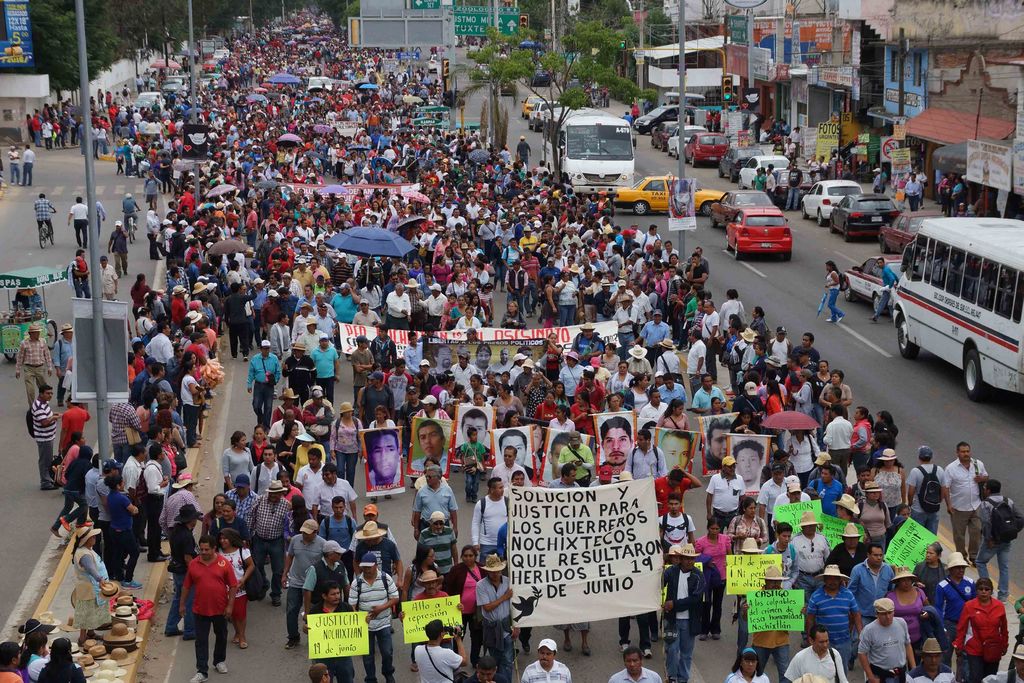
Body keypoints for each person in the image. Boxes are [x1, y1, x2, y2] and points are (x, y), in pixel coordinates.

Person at [182, 535, 237, 683]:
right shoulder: (193, 564)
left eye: (207, 549)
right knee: (201, 641)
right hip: (200, 610)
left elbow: (233, 585)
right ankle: (202, 671)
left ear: (214, 549)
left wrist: (230, 605)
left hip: (220, 609)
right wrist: (181, 605)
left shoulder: (224, 563)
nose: (204, 552)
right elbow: (186, 586)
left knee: (221, 636)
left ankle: (219, 661)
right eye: (201, 549)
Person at [349, 552, 400, 683]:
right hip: (366, 627)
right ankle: (371, 678)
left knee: (387, 652)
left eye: (368, 567)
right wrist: (360, 618)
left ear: (375, 566)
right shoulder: (357, 583)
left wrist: (381, 608)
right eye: (363, 567)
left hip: (384, 623)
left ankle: (388, 672)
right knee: (367, 656)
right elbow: (352, 605)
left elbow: (395, 598)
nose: (366, 570)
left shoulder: (385, 578)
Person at [807, 564, 862, 671]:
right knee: (823, 671)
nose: (832, 581)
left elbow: (856, 614)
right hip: (822, 642)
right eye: (829, 578)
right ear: (824, 579)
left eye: (835, 578)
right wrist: (810, 637)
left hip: (844, 641)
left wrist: (861, 633)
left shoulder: (848, 594)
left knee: (842, 671)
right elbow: (810, 618)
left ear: (840, 579)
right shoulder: (816, 596)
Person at [663, 543, 705, 683]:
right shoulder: (671, 572)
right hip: (672, 620)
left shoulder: (698, 576)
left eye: (692, 558)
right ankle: (672, 676)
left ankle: (683, 678)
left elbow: (695, 599)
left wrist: (674, 604)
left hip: (689, 621)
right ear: (680, 558)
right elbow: (660, 583)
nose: (690, 561)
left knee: (686, 653)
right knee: (672, 650)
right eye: (687, 558)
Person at [954, 577, 1007, 683]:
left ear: (991, 591)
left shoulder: (999, 606)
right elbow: (961, 628)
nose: (984, 592)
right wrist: (958, 645)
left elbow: (1004, 629)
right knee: (976, 678)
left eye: (987, 589)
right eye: (980, 589)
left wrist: (1004, 645)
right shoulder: (969, 606)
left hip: (993, 648)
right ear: (976, 590)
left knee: (991, 679)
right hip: (975, 649)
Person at [976, 479, 1020, 602]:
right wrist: (1013, 530)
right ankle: (1003, 596)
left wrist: (989, 538)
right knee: (1004, 567)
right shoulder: (1008, 501)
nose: (983, 490)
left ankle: (987, 590)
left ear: (988, 490)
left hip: (992, 540)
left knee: (980, 562)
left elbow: (986, 523)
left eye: (985, 488)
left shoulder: (986, 504)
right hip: (1006, 539)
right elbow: (1020, 517)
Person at [945, 442, 988, 566]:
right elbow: (946, 487)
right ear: (957, 453)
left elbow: (986, 476)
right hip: (958, 507)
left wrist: (982, 479)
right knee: (959, 536)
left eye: (967, 451)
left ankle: (974, 556)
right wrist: (948, 504)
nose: (966, 454)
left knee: (976, 532)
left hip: (975, 505)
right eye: (963, 452)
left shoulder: (978, 464)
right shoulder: (951, 468)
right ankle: (961, 557)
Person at [476, 554, 515, 680]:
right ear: (487, 571)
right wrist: (504, 597)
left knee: (508, 661)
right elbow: (487, 607)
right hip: (492, 629)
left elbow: (514, 606)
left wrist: (517, 626)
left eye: (497, 571)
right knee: (494, 662)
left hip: (506, 626)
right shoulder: (481, 585)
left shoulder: (508, 581)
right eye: (492, 571)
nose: (495, 574)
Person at [858, 598, 915, 683]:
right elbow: (862, 653)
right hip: (880, 675)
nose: (888, 617)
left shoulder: (901, 623)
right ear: (877, 614)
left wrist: (914, 669)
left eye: (890, 612)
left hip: (901, 674)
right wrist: (870, 677)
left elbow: (907, 644)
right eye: (884, 614)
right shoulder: (869, 630)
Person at [166, 504, 201, 640]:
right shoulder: (186, 536)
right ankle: (190, 630)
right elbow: (188, 558)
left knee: (178, 598)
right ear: (190, 519)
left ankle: (171, 626)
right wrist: (195, 574)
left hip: (177, 569)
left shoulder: (176, 530)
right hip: (185, 572)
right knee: (189, 601)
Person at [784, 625, 851, 683]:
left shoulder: (834, 654)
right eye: (821, 642)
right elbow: (791, 679)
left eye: (826, 641)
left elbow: (843, 680)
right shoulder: (800, 658)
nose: (825, 645)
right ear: (811, 641)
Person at [907, 446, 947, 535]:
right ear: (931, 457)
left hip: (918, 509)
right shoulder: (939, 470)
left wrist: (910, 504)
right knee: (931, 537)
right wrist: (938, 501)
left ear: (919, 457)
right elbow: (944, 489)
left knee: (916, 538)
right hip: (934, 509)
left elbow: (911, 492)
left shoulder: (915, 471)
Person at [415, 618, 468, 683]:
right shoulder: (447, 653)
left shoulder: (418, 650)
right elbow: (464, 662)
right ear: (442, 634)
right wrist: (458, 640)